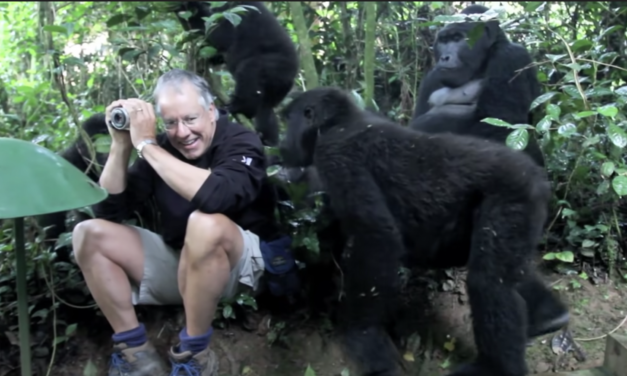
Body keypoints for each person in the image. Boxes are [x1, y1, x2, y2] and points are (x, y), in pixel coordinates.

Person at [72, 68, 294, 376]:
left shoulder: (240, 141)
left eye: (191, 119)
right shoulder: (161, 149)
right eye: (171, 123)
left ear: (211, 111)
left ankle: (194, 353)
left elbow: (218, 198)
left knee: (205, 223)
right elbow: (109, 212)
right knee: (88, 233)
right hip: (184, 268)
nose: (182, 133)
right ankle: (137, 354)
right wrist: (122, 145)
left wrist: (147, 145)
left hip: (240, 272)